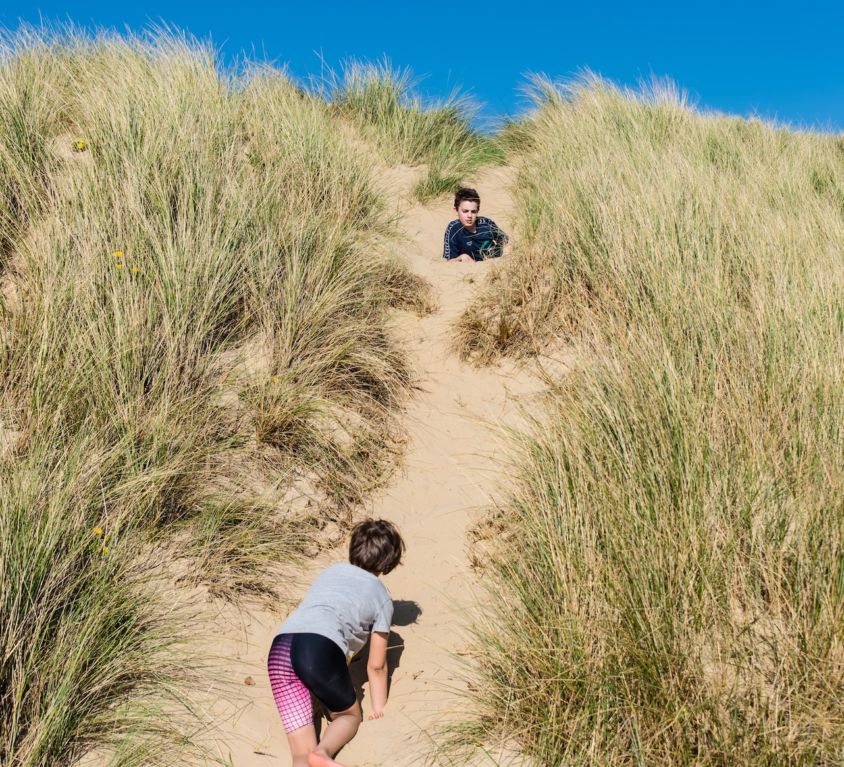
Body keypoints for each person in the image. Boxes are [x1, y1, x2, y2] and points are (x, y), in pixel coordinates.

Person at [267, 519, 405, 767]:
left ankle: (310, 758)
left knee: (300, 753)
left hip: (280, 647)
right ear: (389, 561)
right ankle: (323, 753)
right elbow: (376, 666)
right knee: (347, 715)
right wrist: (379, 707)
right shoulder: (381, 596)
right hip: (318, 648)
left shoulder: (329, 572)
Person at [442, 187, 509, 263]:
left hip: (495, 264)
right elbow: (449, 261)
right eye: (465, 211)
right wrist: (461, 257)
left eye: (473, 211)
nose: (469, 215)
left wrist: (506, 253)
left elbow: (506, 241)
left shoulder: (486, 224)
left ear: (478, 211)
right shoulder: (453, 229)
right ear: (456, 210)